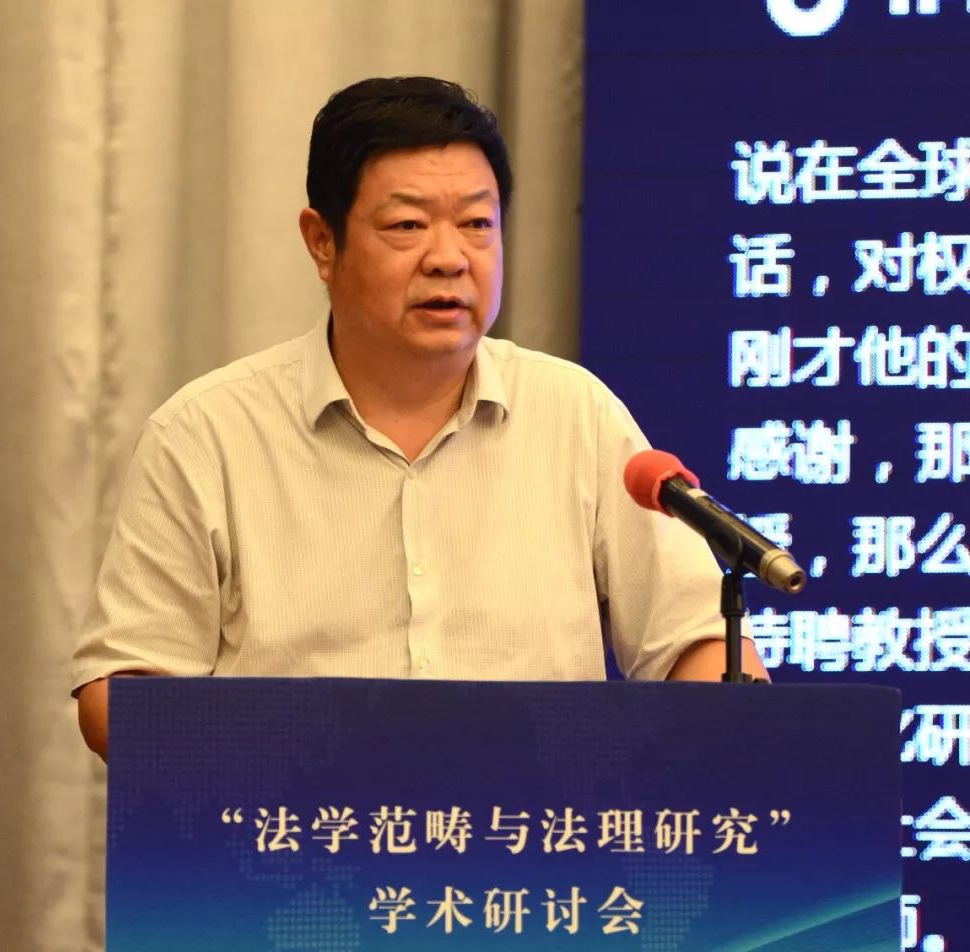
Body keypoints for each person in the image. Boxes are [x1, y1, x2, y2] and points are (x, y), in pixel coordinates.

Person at [73, 76, 767, 760]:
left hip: (533, 829)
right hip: (297, 827)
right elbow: (123, 689)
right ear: (322, 241)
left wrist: (713, 738)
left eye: (477, 225)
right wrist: (283, 761)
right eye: (407, 226)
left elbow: (701, 641)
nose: (449, 259)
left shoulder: (576, 415)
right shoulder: (207, 434)